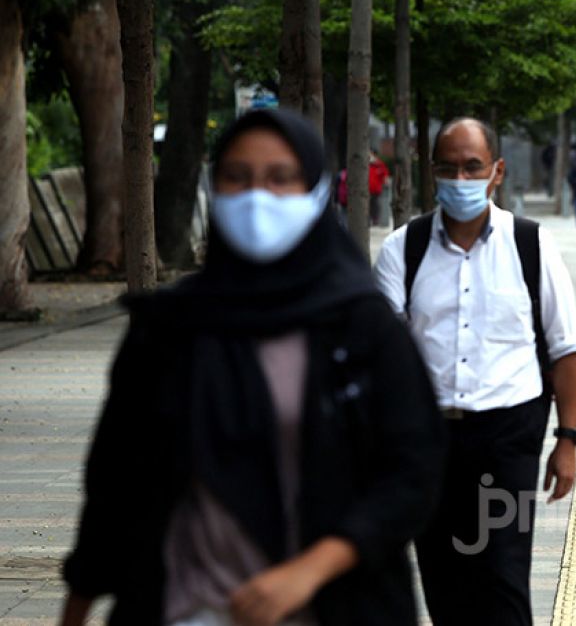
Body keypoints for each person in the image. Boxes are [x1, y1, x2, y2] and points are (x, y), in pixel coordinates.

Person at [60, 108, 445, 625]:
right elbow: (115, 480)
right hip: (184, 607)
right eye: (236, 178)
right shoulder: (170, 327)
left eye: (280, 179)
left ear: (314, 192)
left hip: (332, 607)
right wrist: (76, 606)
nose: (256, 196)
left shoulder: (360, 327)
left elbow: (412, 472)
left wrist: (307, 571)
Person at [373, 117, 576, 625]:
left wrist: (568, 441)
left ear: (497, 171)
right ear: (432, 174)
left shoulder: (531, 246)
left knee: (501, 577)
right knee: (444, 579)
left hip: (506, 440)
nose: (461, 179)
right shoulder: (403, 249)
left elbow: (565, 349)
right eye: (448, 168)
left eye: (473, 167)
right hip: (427, 444)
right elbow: (383, 358)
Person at [368, 150, 390, 226]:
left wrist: (386, 181)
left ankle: (375, 220)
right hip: (366, 190)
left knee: (375, 205)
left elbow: (385, 175)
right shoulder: (366, 165)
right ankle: (368, 220)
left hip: (375, 190)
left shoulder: (380, 165)